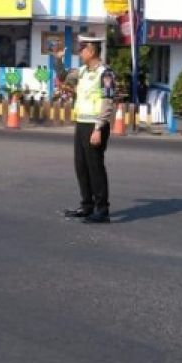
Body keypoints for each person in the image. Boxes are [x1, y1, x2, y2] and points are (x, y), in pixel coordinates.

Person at [52, 35, 117, 223]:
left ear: (92, 51)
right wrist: (58, 59)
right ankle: (87, 206)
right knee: (81, 166)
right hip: (81, 124)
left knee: (95, 167)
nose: (80, 52)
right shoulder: (81, 71)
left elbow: (107, 101)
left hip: (95, 126)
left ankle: (102, 209)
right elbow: (64, 76)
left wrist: (98, 128)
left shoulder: (106, 74)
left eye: (82, 48)